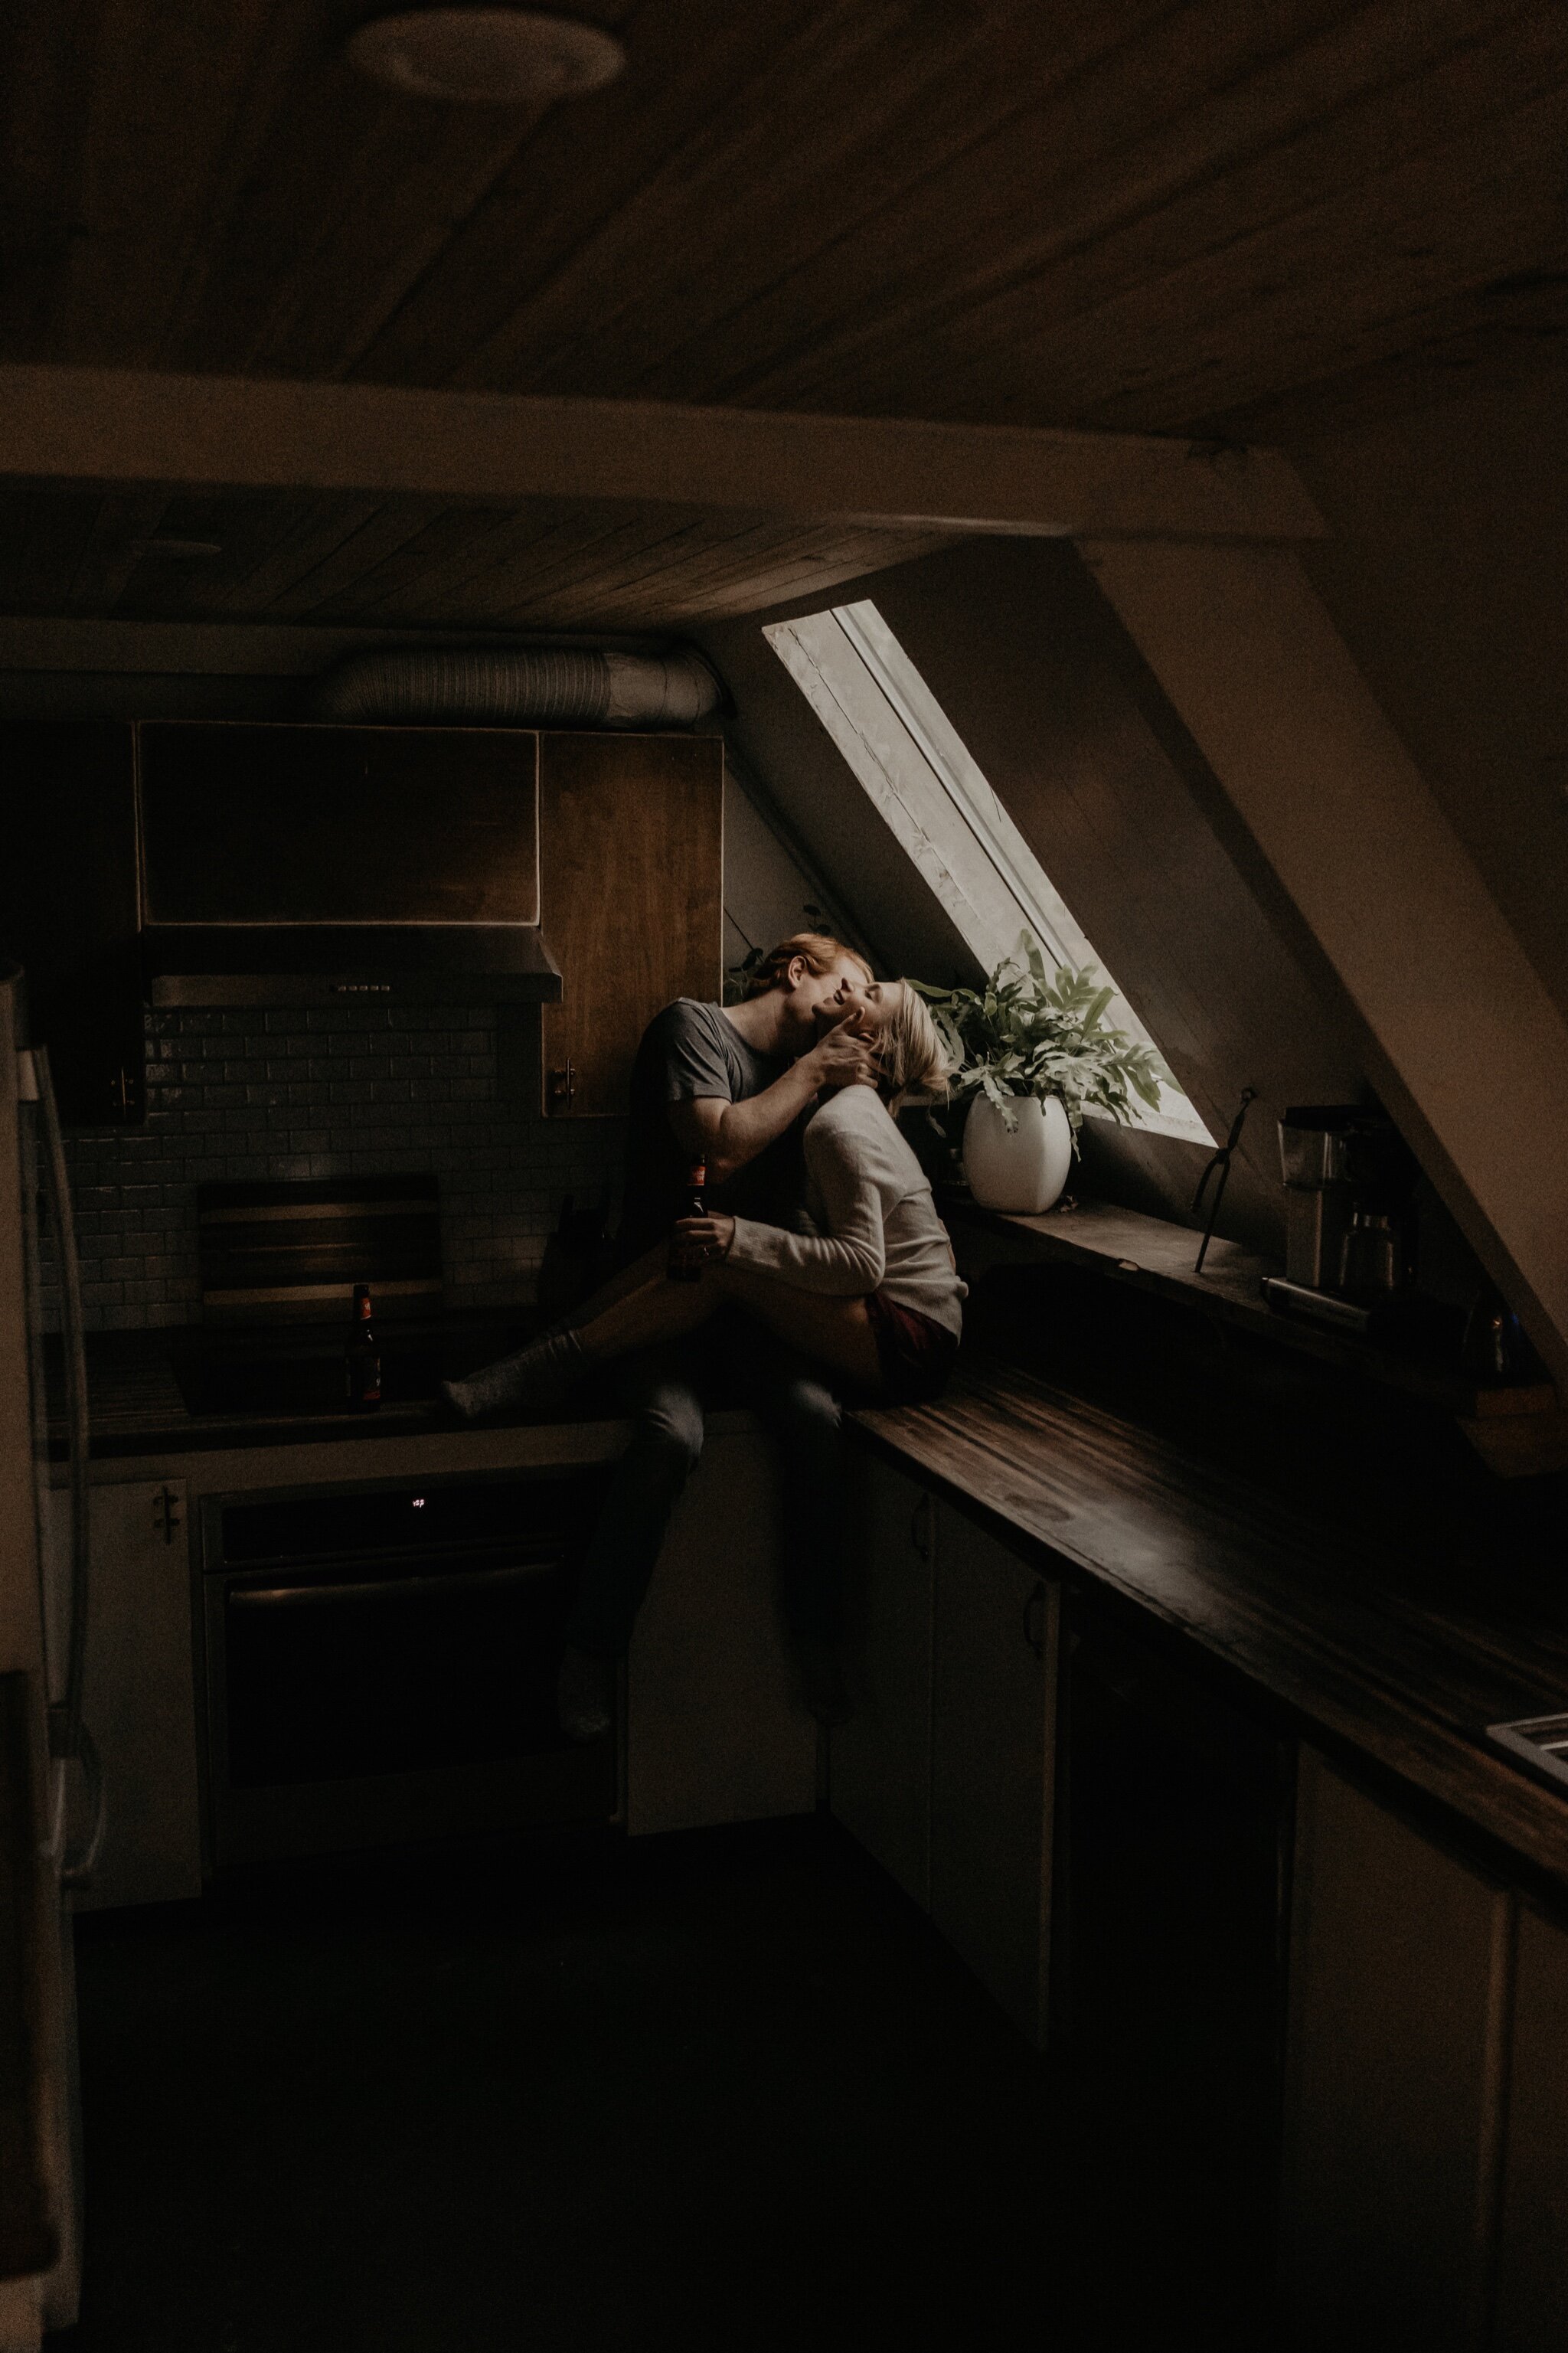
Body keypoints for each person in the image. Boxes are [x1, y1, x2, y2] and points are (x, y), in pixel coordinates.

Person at [447, 976, 966, 1729]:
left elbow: (853, 1257)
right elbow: (718, 1151)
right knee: (671, 1426)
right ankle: (590, 1652)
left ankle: (813, 1640)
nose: (851, 987)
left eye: (866, 990)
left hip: (836, 1317)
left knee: (811, 1413)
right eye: (844, 976)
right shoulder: (709, 1036)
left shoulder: (831, 1107)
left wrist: (743, 1238)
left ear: (866, 1041)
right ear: (799, 972)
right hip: (684, 1304)